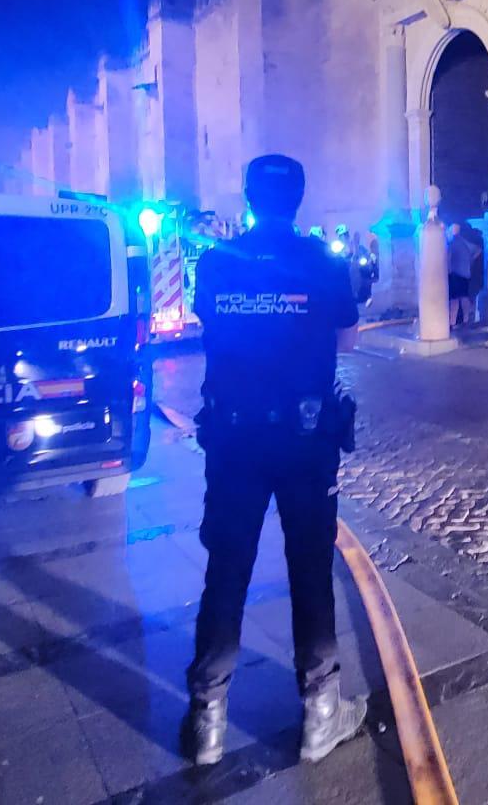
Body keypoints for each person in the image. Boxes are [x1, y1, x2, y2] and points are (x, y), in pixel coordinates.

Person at [185, 154, 365, 767]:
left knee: (227, 569)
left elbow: (206, 320)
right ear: (300, 198)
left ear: (247, 195)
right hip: (304, 439)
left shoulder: (217, 261)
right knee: (310, 570)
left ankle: (206, 721)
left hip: (234, 441)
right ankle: (320, 714)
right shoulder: (320, 262)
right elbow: (347, 336)